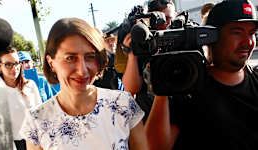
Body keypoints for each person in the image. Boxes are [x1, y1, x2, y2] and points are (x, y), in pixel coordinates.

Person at [19, 18, 148, 150]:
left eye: (90, 56)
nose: (82, 70)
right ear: (51, 62)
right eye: (70, 58)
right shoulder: (37, 121)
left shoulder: (123, 104)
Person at [145, 0, 258, 150]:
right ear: (212, 36)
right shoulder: (187, 88)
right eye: (237, 32)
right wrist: (164, 85)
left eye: (252, 33)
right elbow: (154, 147)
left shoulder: (256, 81)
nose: (248, 42)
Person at [121, 0, 178, 123]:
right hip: (150, 116)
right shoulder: (142, 44)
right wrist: (132, 54)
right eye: (161, 19)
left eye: (169, 18)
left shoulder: (183, 38)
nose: (166, 24)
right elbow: (131, 89)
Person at [0, 47, 42, 150]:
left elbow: (40, 115)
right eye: (8, 64)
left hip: (36, 141)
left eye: (16, 63)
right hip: (14, 145)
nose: (14, 68)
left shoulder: (31, 85)